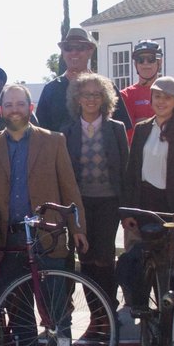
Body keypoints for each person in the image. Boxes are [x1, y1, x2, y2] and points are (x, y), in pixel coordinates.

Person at [0, 84, 88, 301]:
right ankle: (25, 337)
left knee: (57, 306)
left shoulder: (54, 141)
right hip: (9, 237)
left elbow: (69, 187)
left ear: (30, 107)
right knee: (19, 311)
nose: (15, 109)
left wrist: (78, 228)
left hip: (47, 233)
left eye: (21, 104)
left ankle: (60, 337)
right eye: (9, 104)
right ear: (0, 110)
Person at [119, 77, 174, 306]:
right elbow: (131, 171)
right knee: (142, 262)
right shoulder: (143, 128)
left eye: (167, 98)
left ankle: (170, 318)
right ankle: (144, 314)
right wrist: (127, 212)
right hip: (144, 202)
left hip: (171, 205)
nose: (161, 102)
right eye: (157, 96)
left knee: (172, 265)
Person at [62, 74, 128, 304]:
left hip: (109, 202)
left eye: (96, 94)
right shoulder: (67, 132)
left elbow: (125, 170)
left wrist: (126, 209)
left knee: (105, 257)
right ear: (77, 98)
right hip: (80, 204)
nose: (91, 99)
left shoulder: (116, 129)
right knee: (86, 257)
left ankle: (109, 308)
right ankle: (96, 317)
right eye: (86, 94)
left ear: (105, 98)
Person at [36, 27, 132, 132]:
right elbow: (40, 132)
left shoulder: (107, 87)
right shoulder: (50, 89)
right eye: (68, 48)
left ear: (90, 52)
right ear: (63, 53)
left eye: (80, 48)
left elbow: (122, 130)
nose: (74, 52)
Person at [119, 40, 164, 141]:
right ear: (135, 64)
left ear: (159, 62)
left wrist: (141, 121)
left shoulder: (171, 93)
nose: (145, 63)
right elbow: (126, 133)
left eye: (151, 59)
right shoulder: (125, 96)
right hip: (136, 154)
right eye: (140, 60)